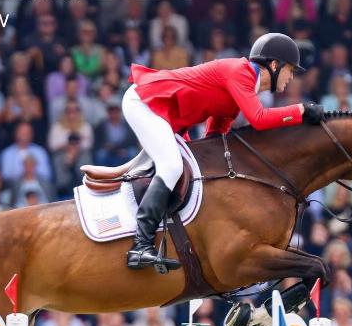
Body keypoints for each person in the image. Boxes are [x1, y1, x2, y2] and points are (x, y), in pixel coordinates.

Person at [121, 32, 324, 271]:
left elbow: (215, 134)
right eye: (290, 70)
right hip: (145, 102)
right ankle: (140, 245)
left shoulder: (245, 85)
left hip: (161, 113)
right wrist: (300, 111)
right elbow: (259, 119)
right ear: (274, 65)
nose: (291, 77)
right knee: (172, 167)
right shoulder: (241, 72)